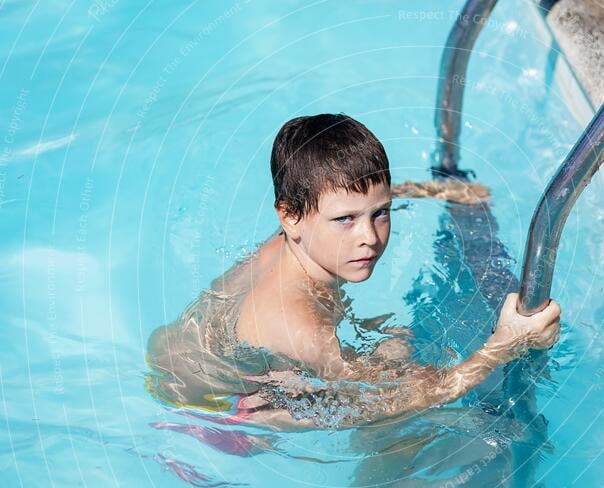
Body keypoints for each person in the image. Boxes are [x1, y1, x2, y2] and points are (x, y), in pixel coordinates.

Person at [146, 113, 561, 430]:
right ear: (290, 217)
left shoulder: (298, 229)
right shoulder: (305, 328)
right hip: (207, 414)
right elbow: (405, 399)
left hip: (179, 356)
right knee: (398, 416)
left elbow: (358, 196)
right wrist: (507, 344)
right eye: (346, 221)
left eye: (380, 213)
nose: (369, 236)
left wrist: (433, 190)